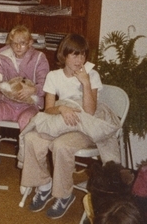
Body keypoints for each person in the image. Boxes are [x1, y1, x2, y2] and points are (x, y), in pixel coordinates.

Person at [19, 33, 120, 219]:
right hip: (62, 120)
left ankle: (65, 195)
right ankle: (44, 186)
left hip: (83, 126)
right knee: (31, 137)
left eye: (83, 55)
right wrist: (62, 108)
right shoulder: (53, 76)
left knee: (61, 145)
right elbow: (48, 108)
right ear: (64, 55)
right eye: (74, 55)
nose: (79, 60)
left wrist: (86, 83)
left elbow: (89, 111)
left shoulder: (91, 75)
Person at [0, 25, 49, 180]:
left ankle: (25, 159)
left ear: (30, 43)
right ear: (9, 43)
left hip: (29, 105)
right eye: (14, 43)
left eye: (22, 43)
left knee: (27, 121)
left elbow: (46, 84)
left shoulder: (39, 58)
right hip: (8, 103)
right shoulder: (3, 57)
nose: (18, 47)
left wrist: (33, 90)